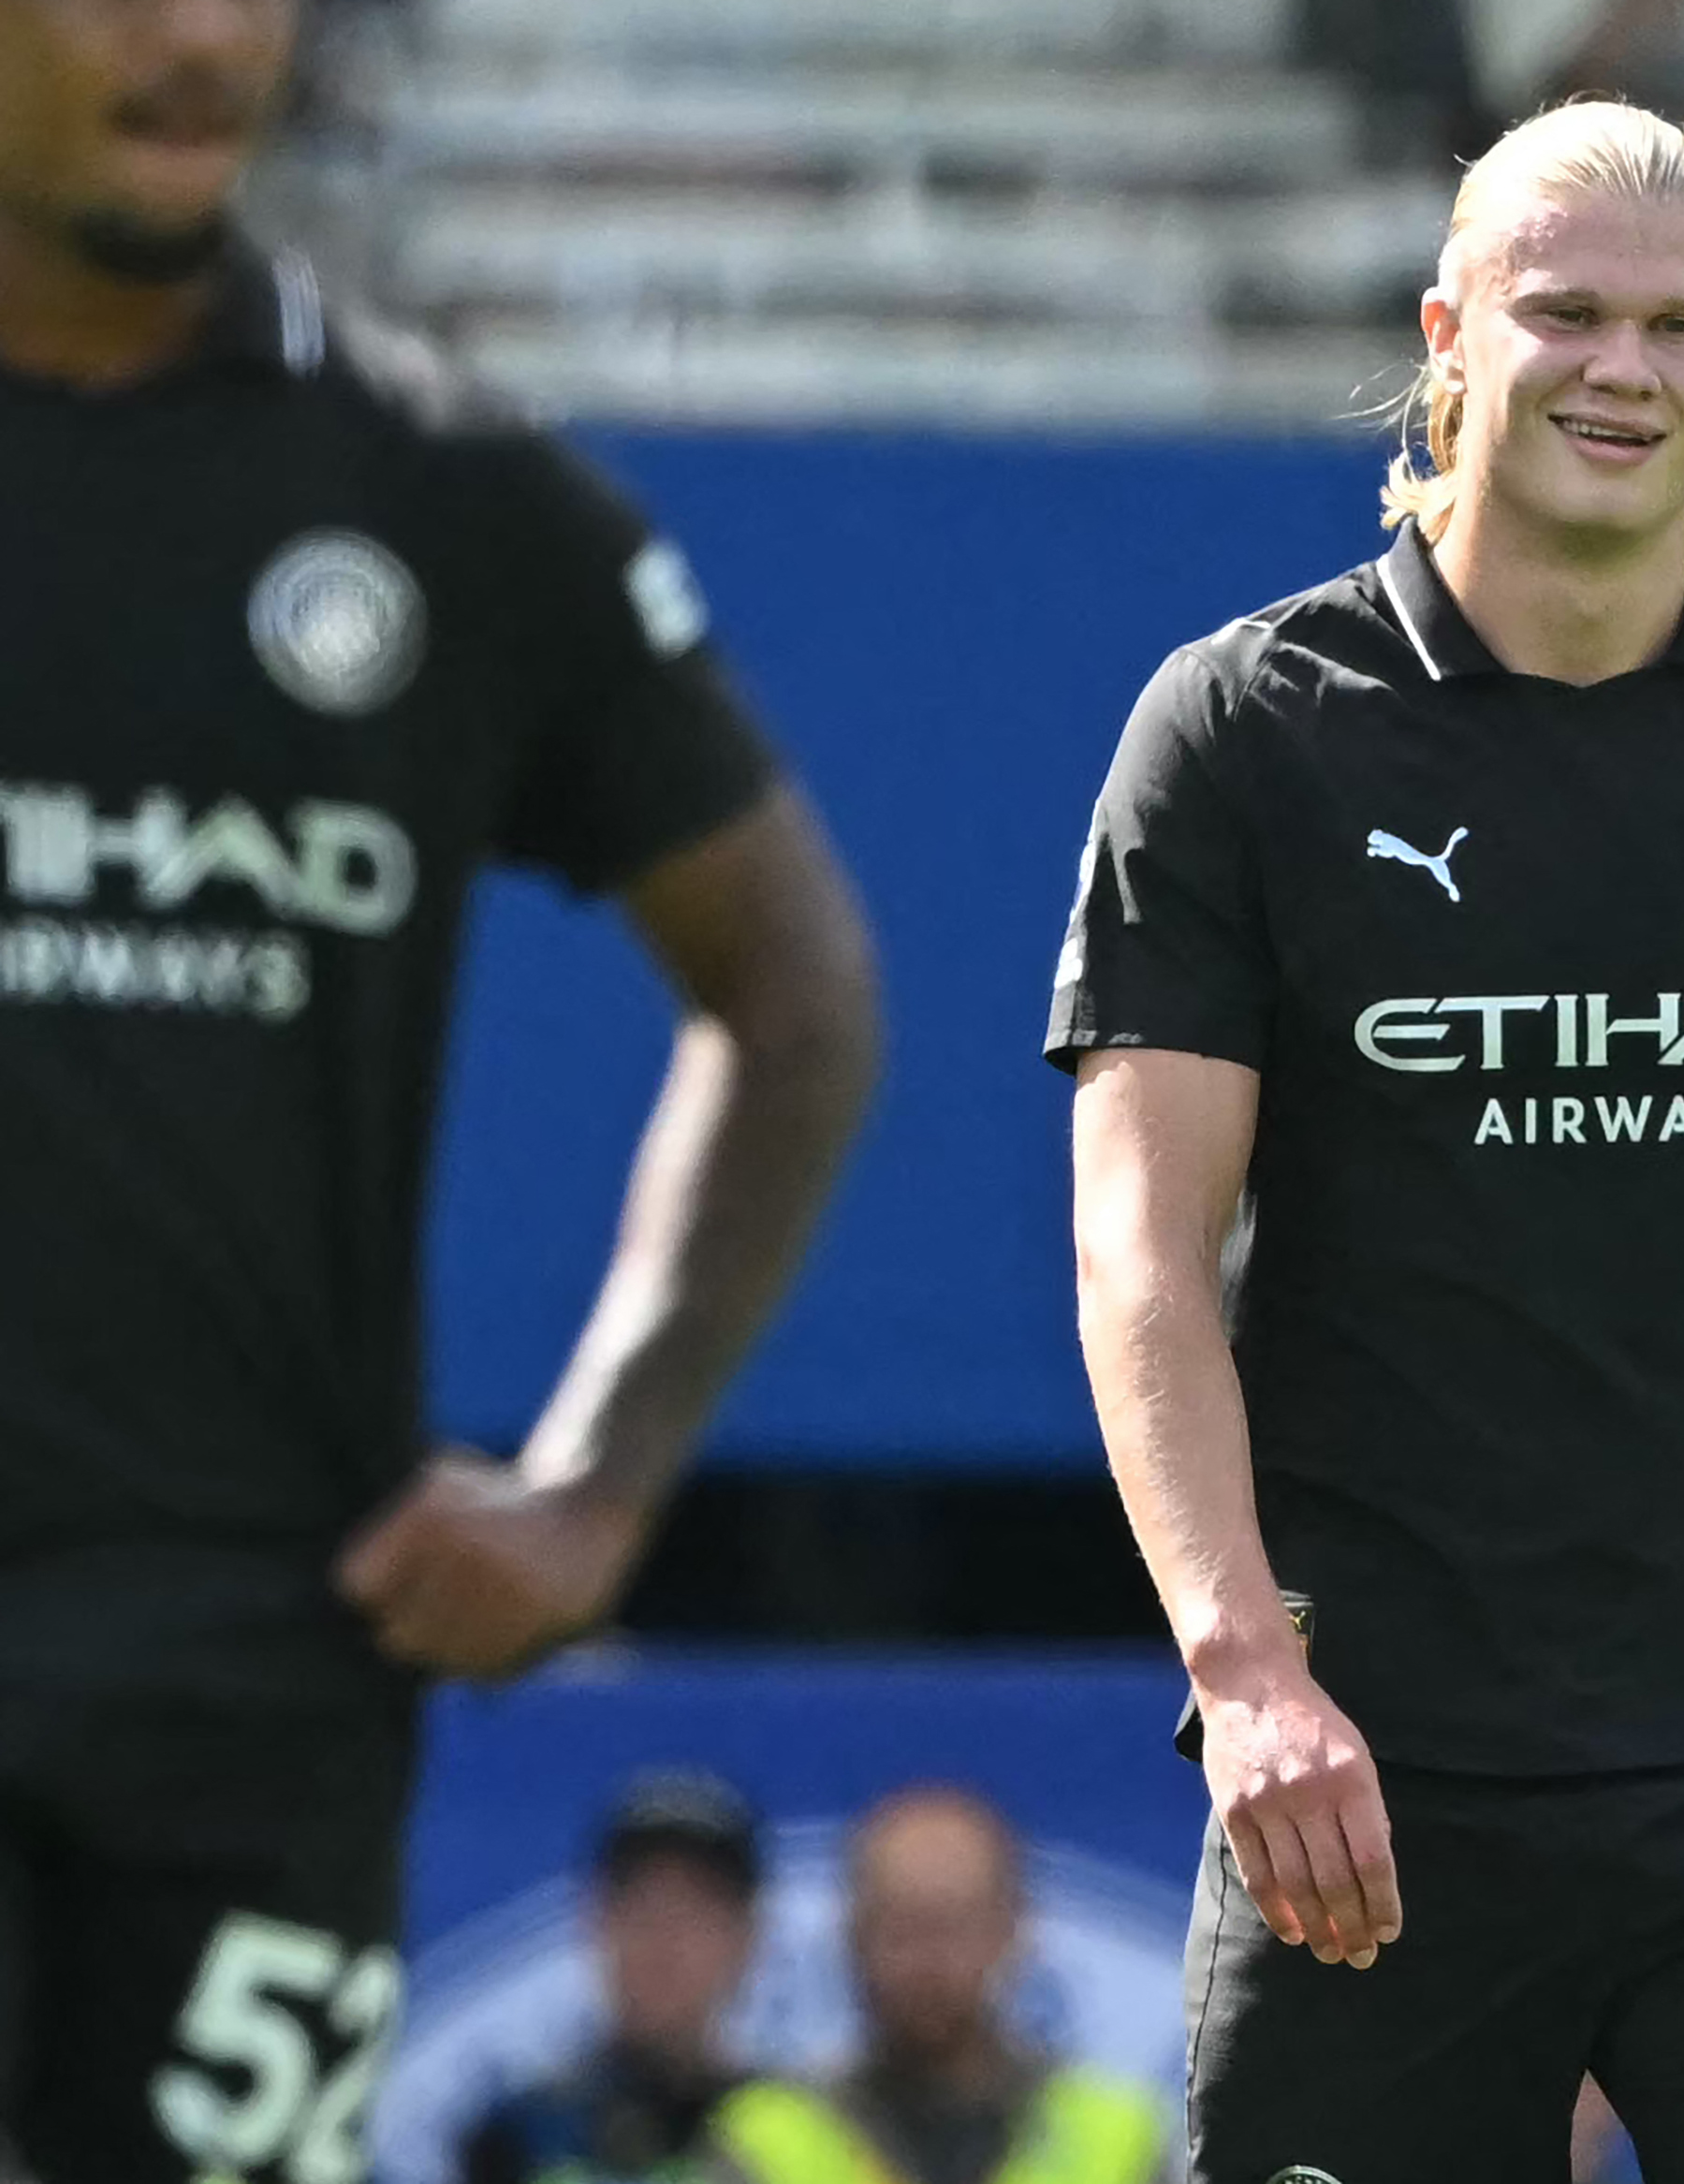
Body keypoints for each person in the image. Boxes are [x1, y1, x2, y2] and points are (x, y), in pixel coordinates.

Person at [1051, 96, 1684, 2184]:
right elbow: (1141, 1256)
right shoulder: (1242, 732)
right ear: (1450, 333)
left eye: (1679, 327)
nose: (1624, 368)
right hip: (1378, 1793)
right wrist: (1248, 1677)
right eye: (1565, 311)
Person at [0, 1, 882, 2176]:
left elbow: (797, 992)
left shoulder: (448, 498)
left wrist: (599, 1477)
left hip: (259, 1672)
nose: (195, 39)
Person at [704, 1790, 1165, 2184]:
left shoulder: (1115, 2138)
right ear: (853, 1937)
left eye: (957, 1926)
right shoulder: (768, 2140)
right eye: (903, 1929)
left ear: (1014, 1932)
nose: (930, 1962)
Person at [459, 1772, 769, 2184]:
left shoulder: (800, 2129)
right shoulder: (521, 2134)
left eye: (694, 1913)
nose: (664, 1942)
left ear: (747, 1936)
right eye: (642, 1908)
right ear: (597, 1924)